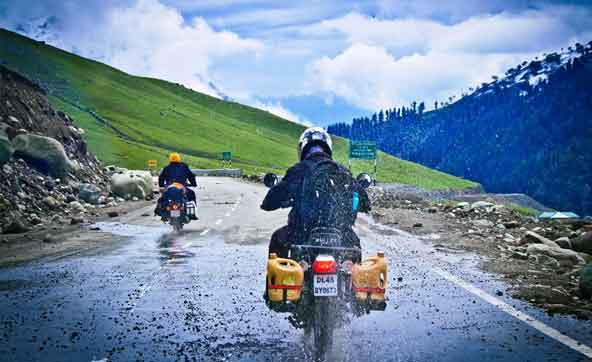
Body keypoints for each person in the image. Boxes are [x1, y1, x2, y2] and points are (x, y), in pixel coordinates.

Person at [260, 127, 371, 257]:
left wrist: (270, 203)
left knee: (277, 239)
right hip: (341, 237)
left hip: (301, 235)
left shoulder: (298, 170)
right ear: (327, 148)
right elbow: (365, 204)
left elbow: (270, 202)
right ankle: (350, 275)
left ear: (303, 149)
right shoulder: (342, 172)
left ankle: (285, 277)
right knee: (354, 250)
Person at [155, 152, 198, 220]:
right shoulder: (184, 166)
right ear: (179, 159)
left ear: (170, 159)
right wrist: (194, 183)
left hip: (169, 188)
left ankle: (161, 213)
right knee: (192, 194)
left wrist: (161, 186)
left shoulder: (167, 168)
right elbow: (191, 176)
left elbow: (161, 177)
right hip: (181, 187)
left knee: (162, 199)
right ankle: (192, 214)